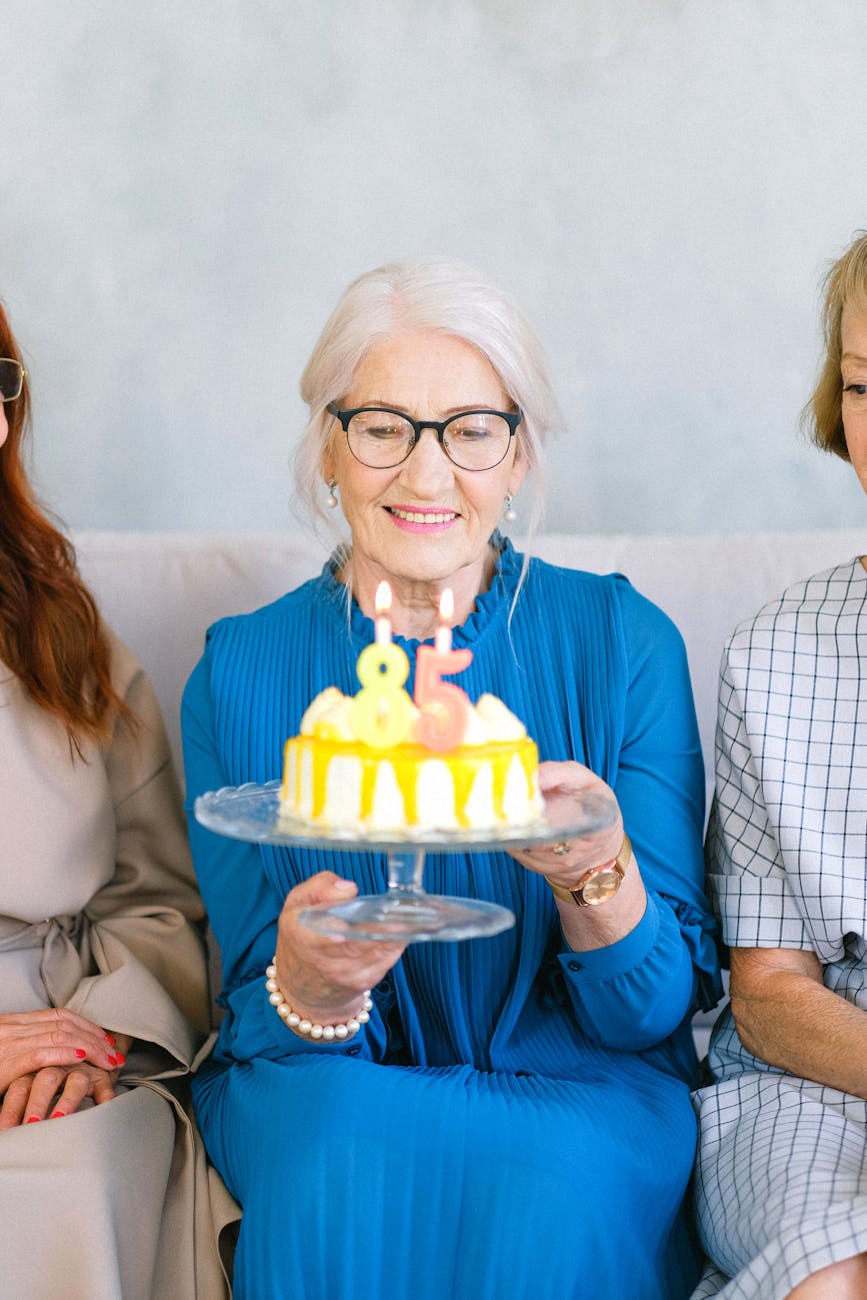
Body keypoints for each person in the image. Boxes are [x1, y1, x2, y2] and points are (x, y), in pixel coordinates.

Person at [182, 255, 721, 1300]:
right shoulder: (240, 670)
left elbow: (655, 1013)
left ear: (517, 457)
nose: (426, 476)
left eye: (472, 430)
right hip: (330, 1084)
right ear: (328, 448)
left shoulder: (622, 645)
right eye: (383, 426)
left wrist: (595, 873)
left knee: (553, 1184)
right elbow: (256, 1004)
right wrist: (314, 985)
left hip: (582, 1089)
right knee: (333, 1153)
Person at [0, 303, 228, 1298]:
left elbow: (160, 898)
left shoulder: (63, 630)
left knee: (79, 1168)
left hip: (67, 1035)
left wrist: (102, 1036)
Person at [692, 229, 867, 1300]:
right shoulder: (773, 655)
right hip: (807, 1076)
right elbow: (766, 993)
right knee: (829, 1275)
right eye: (862, 385)